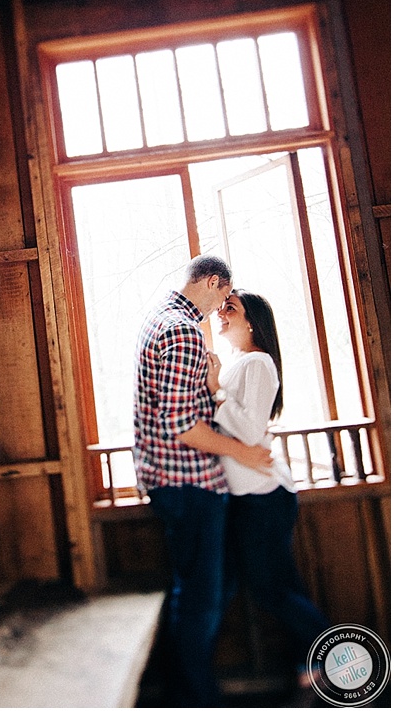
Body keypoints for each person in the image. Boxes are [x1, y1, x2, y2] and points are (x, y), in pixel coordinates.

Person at [133, 254, 273, 707]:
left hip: (175, 480)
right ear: (212, 281)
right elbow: (182, 424)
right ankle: (195, 698)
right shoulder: (183, 330)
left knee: (205, 587)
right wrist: (244, 452)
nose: (221, 309)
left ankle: (186, 690)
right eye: (223, 298)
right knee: (201, 598)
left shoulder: (160, 316)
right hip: (187, 482)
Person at [209, 288, 329, 689]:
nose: (221, 314)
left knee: (268, 588)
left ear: (251, 322)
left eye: (231, 308)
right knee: (282, 584)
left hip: (264, 496)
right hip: (250, 496)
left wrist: (214, 390)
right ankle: (309, 665)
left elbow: (247, 430)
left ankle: (334, 654)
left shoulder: (257, 363)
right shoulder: (238, 363)